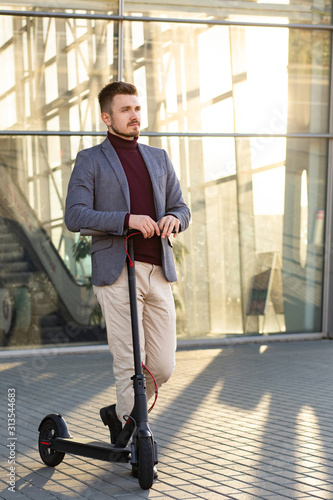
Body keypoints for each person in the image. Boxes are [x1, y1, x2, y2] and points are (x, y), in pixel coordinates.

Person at [65, 81, 191, 477]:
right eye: (125, 110)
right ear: (107, 117)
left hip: (158, 270)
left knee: (163, 366)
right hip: (117, 270)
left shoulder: (159, 157)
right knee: (129, 363)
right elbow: (76, 215)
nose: (135, 115)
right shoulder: (90, 160)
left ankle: (121, 416)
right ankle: (140, 440)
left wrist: (175, 219)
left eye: (137, 108)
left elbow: (181, 207)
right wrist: (125, 220)